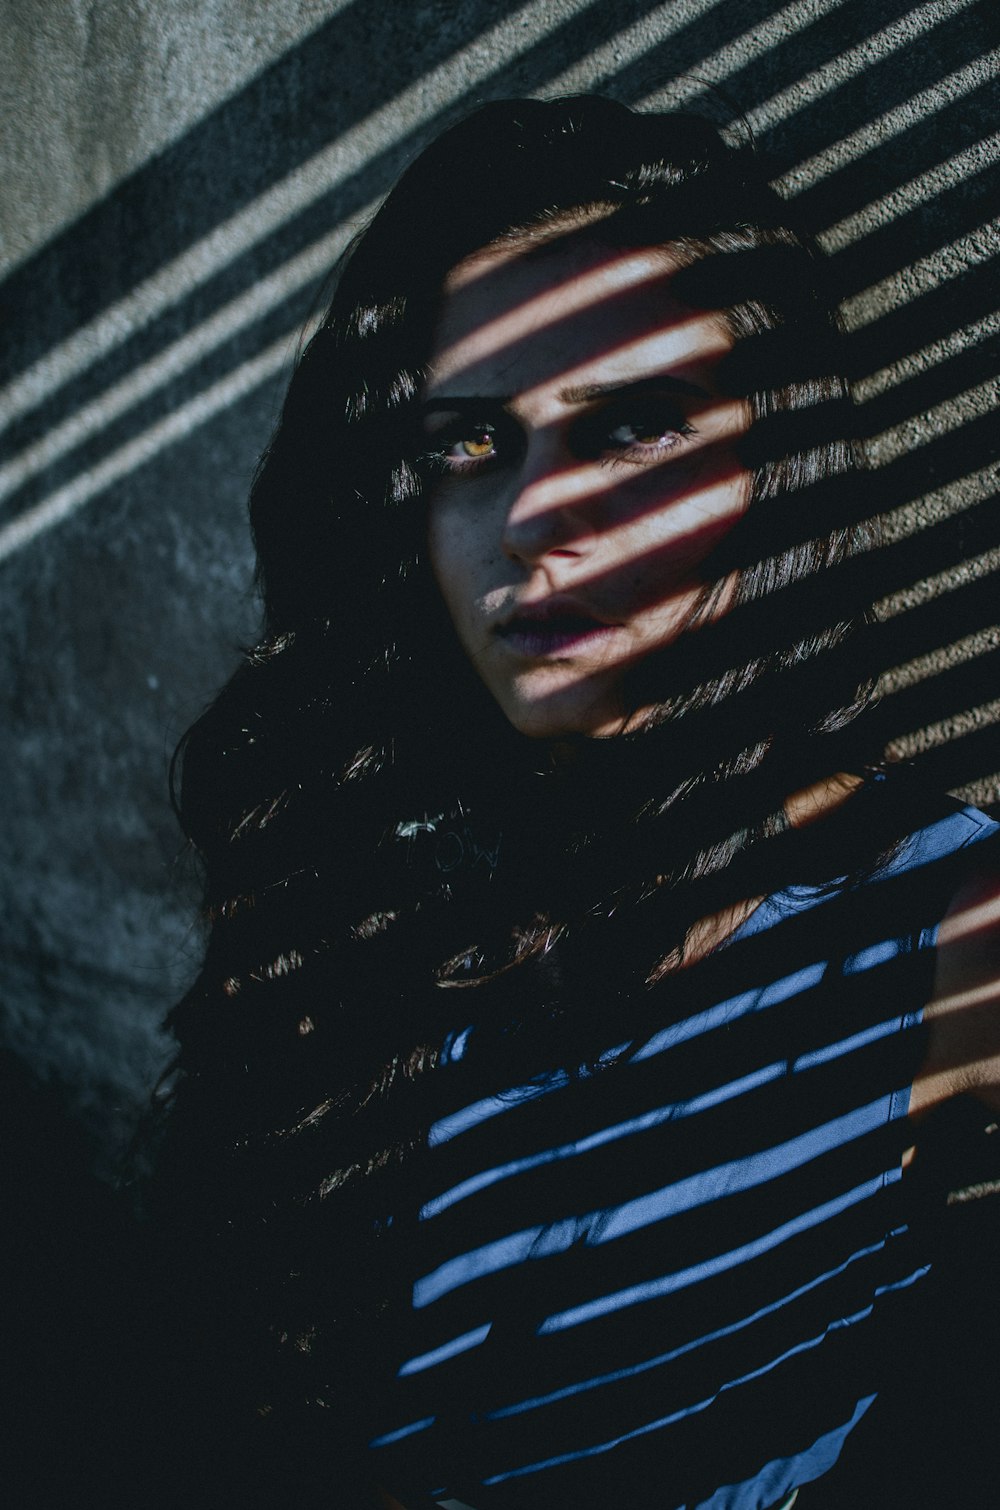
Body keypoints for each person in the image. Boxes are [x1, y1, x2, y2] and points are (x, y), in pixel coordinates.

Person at [161, 97, 1000, 1509]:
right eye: (472, 444)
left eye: (634, 425)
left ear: (777, 466)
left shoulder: (945, 917)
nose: (538, 515)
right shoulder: (358, 869)